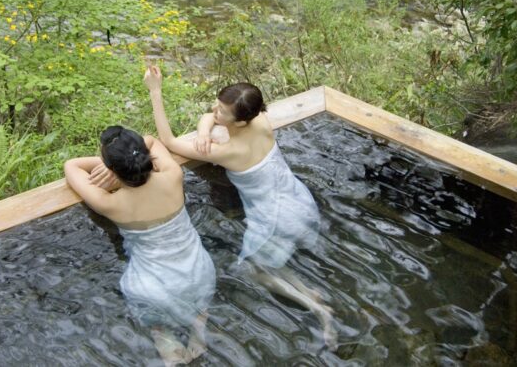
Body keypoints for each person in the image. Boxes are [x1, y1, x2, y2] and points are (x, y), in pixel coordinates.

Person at [143, 65, 336, 348]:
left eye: (222, 111)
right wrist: (204, 130)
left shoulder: (230, 152)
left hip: (274, 218)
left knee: (252, 270)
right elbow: (208, 116)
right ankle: (309, 291)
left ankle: (318, 309)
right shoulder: (260, 121)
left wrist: (155, 91)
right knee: (267, 262)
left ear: (241, 121)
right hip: (298, 200)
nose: (215, 110)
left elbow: (168, 141)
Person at [64, 126, 215, 366]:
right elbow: (152, 141)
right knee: (198, 312)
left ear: (112, 170)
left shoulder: (110, 203)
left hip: (153, 288)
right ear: (143, 155)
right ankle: (198, 335)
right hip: (198, 272)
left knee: (159, 330)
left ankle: (168, 348)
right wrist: (123, 159)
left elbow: (71, 166)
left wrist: (108, 165)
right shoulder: (173, 176)